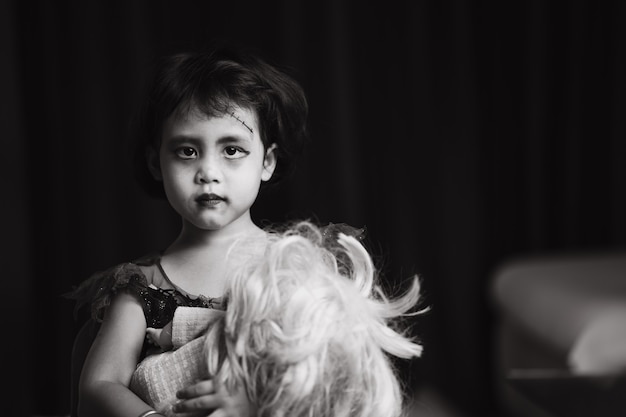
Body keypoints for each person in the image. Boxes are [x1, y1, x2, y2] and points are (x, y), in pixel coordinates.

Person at [68, 43, 308, 417]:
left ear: (267, 162)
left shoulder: (296, 268)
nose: (208, 172)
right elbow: (98, 387)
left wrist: (259, 403)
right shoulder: (142, 289)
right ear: (155, 163)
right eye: (187, 151)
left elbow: (336, 371)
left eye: (231, 150)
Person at [129, 221, 426, 417]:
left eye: (232, 150)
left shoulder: (318, 377)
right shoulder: (230, 324)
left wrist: (254, 407)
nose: (208, 173)